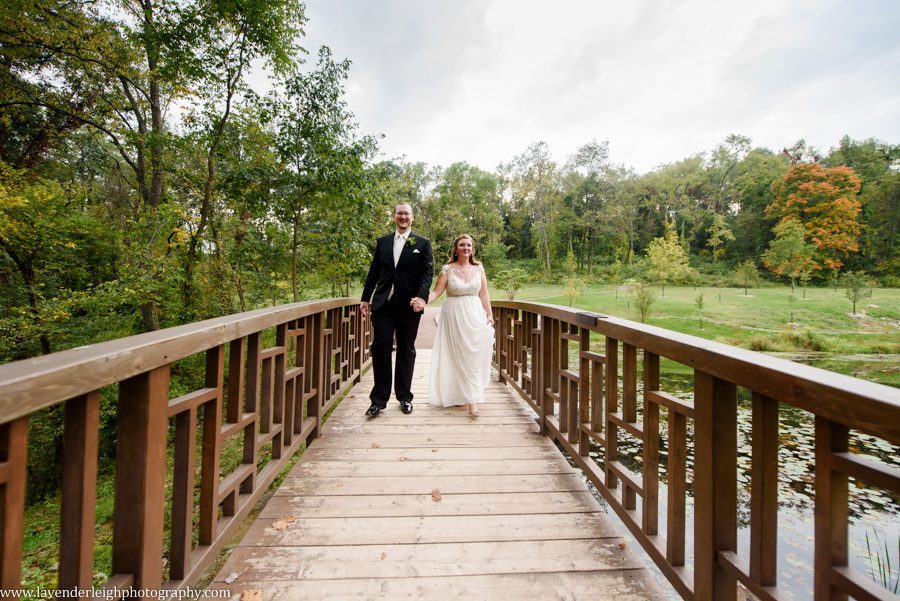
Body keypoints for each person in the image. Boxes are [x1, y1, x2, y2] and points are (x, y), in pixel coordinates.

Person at [360, 203, 434, 417]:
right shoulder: (382, 242)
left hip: (409, 306)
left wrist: (421, 297)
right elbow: (374, 272)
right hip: (383, 304)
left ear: (412, 217)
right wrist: (365, 299)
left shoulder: (423, 243)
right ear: (394, 217)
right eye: (399, 213)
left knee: (406, 349)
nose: (403, 217)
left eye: (407, 214)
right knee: (380, 346)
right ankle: (378, 400)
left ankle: (405, 397)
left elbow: (427, 273)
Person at [415, 234, 495, 417]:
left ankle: (472, 397)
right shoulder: (447, 270)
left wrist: (489, 314)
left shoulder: (479, 268)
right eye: (462, 245)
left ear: (472, 249)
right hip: (454, 315)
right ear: (456, 249)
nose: (466, 248)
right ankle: (470, 401)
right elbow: (436, 292)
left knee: (473, 355)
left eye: (469, 245)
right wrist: (423, 301)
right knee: (458, 355)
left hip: (475, 314)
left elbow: (484, 293)